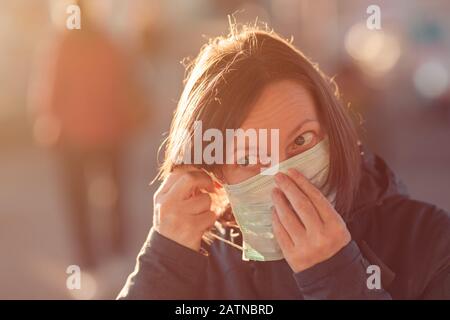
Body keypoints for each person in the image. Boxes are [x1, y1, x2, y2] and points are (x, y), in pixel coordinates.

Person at [118, 25, 450, 299]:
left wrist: (335, 276)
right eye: (249, 157)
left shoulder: (428, 242)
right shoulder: (197, 260)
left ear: (333, 130)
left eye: (302, 140)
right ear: (213, 173)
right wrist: (164, 263)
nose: (283, 172)